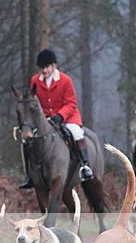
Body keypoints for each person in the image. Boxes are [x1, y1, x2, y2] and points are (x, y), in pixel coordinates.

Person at [20, 49, 93, 189]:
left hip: (67, 117)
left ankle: (85, 166)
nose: (44, 70)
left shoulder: (65, 80)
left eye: (47, 67)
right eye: (42, 67)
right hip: (45, 119)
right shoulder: (35, 81)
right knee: (27, 140)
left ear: (54, 66)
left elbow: (71, 103)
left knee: (77, 133)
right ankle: (29, 175)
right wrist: (43, 118)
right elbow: (34, 103)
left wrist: (59, 116)